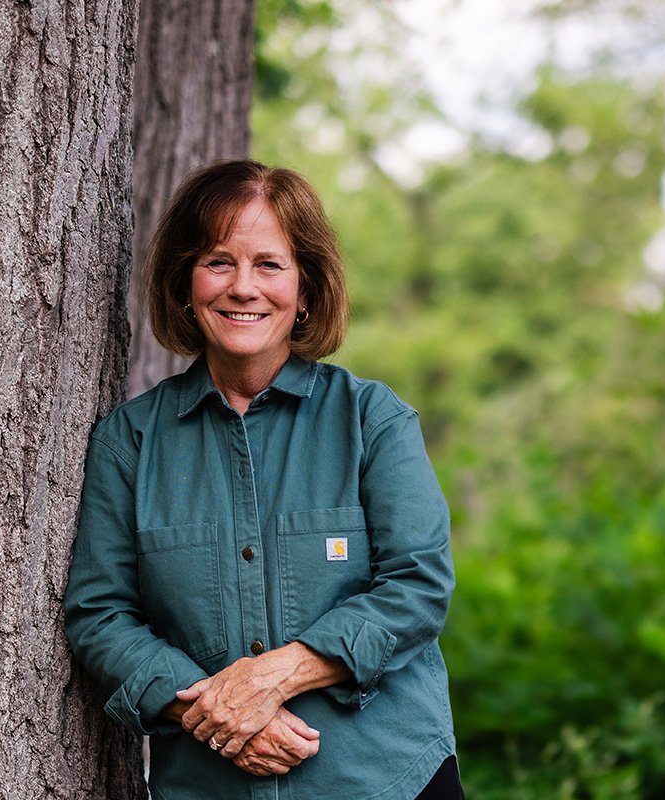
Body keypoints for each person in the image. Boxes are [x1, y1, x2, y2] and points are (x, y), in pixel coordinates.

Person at [64, 160, 461, 799]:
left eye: (269, 265)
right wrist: (218, 714)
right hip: (209, 785)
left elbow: (417, 585)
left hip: (383, 779)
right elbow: (101, 613)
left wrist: (271, 678)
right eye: (219, 262)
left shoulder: (372, 419)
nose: (243, 287)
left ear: (306, 290)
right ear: (185, 284)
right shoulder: (131, 439)